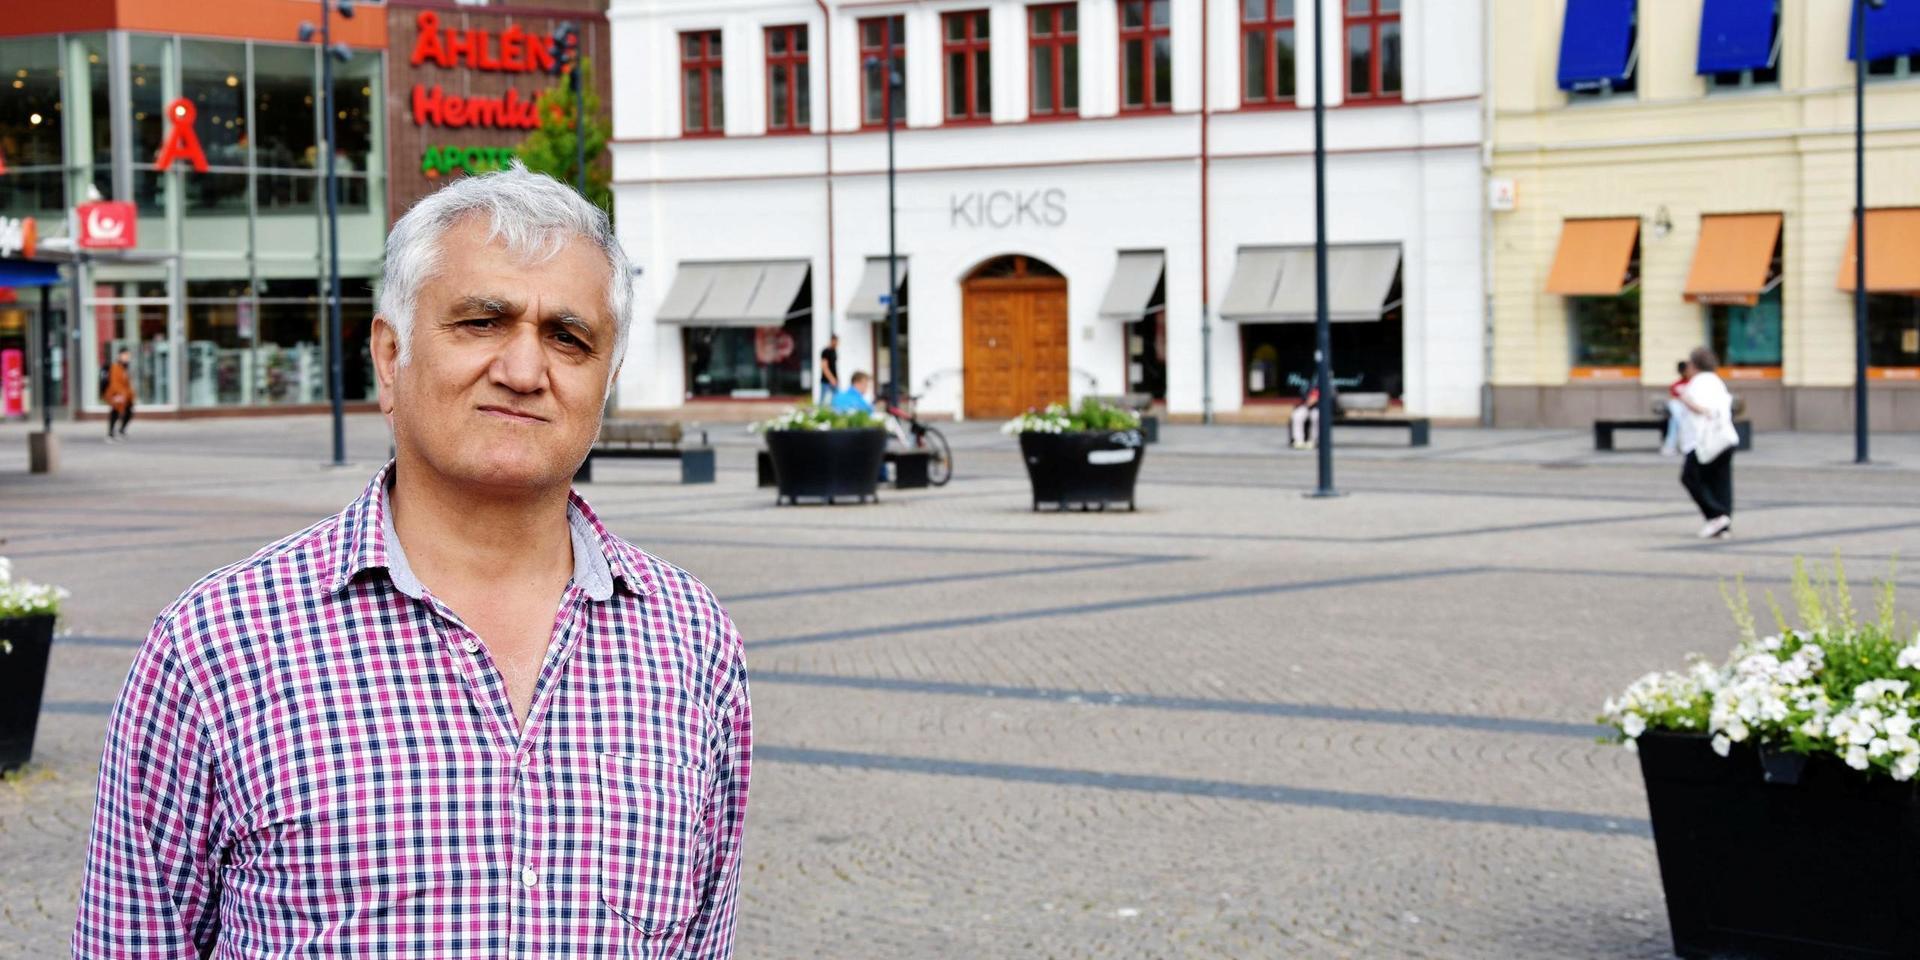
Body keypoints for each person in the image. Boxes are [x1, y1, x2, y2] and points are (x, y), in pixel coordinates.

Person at [75, 166, 752, 958]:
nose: (525, 371)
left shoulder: (692, 643)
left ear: (605, 380)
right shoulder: (215, 649)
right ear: (389, 355)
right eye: (481, 322)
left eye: (569, 337)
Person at [1677, 346, 1740, 540]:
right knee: (1720, 481)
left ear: (1694, 364)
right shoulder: (1716, 381)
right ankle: (1723, 523)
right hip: (1725, 438)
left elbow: (1702, 409)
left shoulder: (1698, 382)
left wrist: (1686, 400)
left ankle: (1715, 515)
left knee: (1690, 477)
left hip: (1704, 440)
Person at [1660, 360, 1692, 457]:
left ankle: (1671, 445)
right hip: (1681, 411)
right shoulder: (1676, 385)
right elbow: (1674, 399)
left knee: (1675, 423)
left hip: (1689, 411)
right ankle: (1672, 445)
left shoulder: (1693, 383)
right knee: (1675, 422)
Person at [102, 348, 134, 442]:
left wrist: (130, 395)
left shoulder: (125, 367)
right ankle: (110, 434)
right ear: (119, 356)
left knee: (128, 411)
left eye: (128, 355)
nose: (126, 357)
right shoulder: (115, 367)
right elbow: (114, 383)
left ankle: (121, 431)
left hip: (125, 395)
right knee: (115, 412)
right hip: (116, 394)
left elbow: (127, 383)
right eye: (124, 355)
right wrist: (118, 394)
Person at [1289, 385, 1321, 450]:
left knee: (1315, 416)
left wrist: (1316, 401)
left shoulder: (1328, 388)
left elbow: (1331, 400)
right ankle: (1298, 440)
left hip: (1319, 408)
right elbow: (1304, 398)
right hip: (1306, 406)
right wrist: (1309, 400)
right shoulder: (1309, 387)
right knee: (1297, 415)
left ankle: (1313, 440)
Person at [818, 333, 840, 404]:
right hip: (826, 381)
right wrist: (831, 379)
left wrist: (836, 378)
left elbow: (833, 367)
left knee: (836, 399)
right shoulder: (825, 351)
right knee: (823, 400)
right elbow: (824, 367)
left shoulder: (834, 351)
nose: (837, 343)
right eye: (836, 341)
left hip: (834, 379)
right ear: (832, 341)